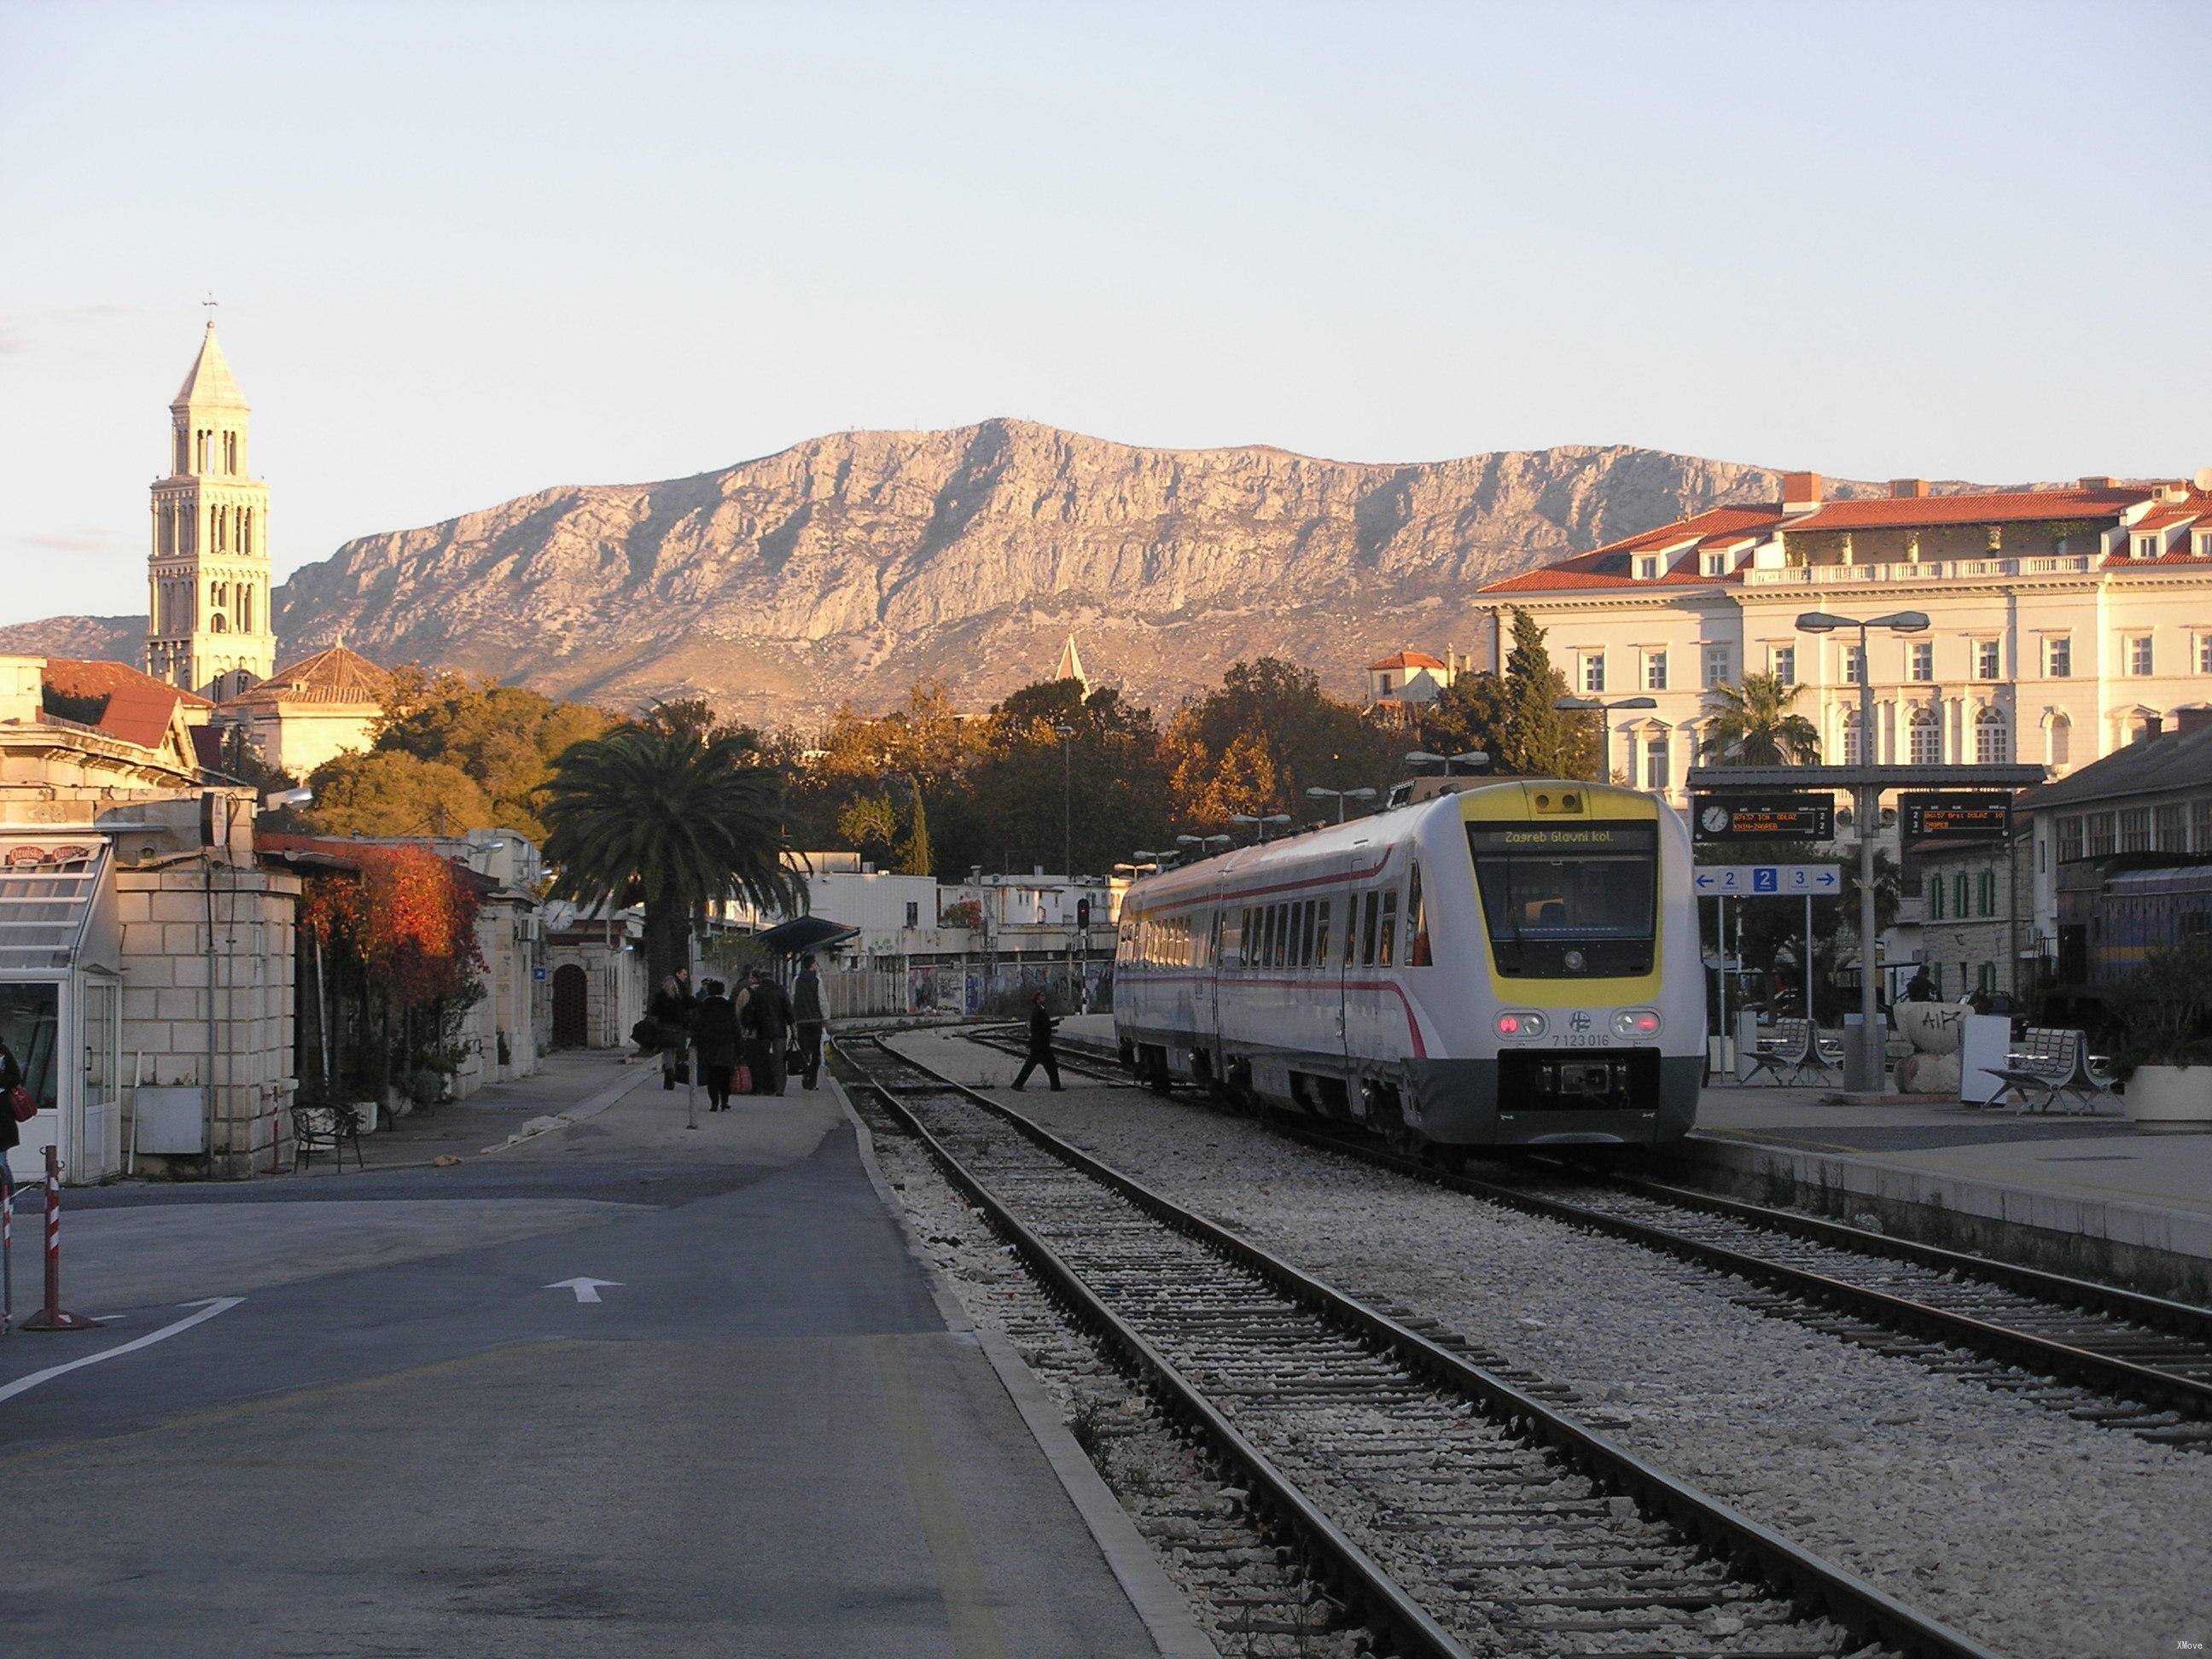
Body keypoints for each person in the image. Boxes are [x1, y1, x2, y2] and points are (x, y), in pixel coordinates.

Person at [691, 979, 740, 1110]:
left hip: (708, 1045)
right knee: (725, 1073)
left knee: (711, 1074)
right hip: (726, 1044)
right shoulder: (729, 1006)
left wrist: (693, 1042)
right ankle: (725, 1100)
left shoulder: (703, 1006)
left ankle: (714, 1102)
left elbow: (697, 1026)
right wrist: (739, 1045)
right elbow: (735, 1027)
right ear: (722, 991)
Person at [749, 966, 795, 1096]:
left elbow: (752, 1012)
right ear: (772, 978)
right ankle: (780, 1089)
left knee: (763, 1059)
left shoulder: (757, 992)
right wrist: (792, 1027)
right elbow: (788, 1010)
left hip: (762, 1031)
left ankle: (767, 1087)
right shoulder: (781, 990)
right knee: (779, 1060)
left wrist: (751, 1028)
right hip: (779, 1031)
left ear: (761, 979)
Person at [648, 974, 695, 1090]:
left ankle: (669, 1073)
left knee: (667, 1052)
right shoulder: (678, 999)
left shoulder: (660, 997)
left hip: (664, 1027)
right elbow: (684, 1013)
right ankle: (672, 1069)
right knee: (673, 1051)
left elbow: (654, 1011)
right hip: (677, 1029)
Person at [1010, 989, 1063, 1091]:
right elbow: (1044, 1024)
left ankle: (1055, 1086)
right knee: (1049, 1065)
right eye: (1042, 996)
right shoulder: (1038, 1011)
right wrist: (1057, 1021)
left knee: (1037, 1066)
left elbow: (1041, 1026)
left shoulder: (1039, 1010)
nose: (1044, 997)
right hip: (1040, 1045)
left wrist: (1050, 1030)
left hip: (1039, 1044)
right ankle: (1055, 1086)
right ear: (1037, 1000)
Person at [792, 953, 825, 1091]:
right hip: (815, 1020)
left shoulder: (796, 980)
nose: (817, 966)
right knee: (816, 1051)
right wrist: (826, 1018)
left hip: (801, 1021)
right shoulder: (817, 981)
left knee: (804, 1050)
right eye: (816, 964)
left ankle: (805, 1076)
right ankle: (812, 1080)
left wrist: (794, 1019)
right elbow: (822, 1001)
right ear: (812, 965)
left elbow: (793, 1000)